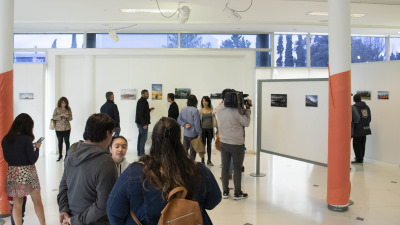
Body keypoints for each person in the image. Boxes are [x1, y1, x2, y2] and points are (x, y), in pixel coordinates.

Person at [106, 117, 221, 225]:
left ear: (153, 140)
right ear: (180, 139)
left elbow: (114, 211)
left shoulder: (134, 172)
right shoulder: (198, 170)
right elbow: (213, 201)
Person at [57, 113, 117, 225]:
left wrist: (64, 209)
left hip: (72, 217)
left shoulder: (72, 151)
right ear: (108, 133)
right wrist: (76, 221)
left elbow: (63, 186)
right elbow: (104, 204)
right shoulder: (106, 162)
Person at [2, 113, 46, 225]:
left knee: (17, 204)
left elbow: (7, 158)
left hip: (13, 173)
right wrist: (37, 149)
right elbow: (32, 159)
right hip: (28, 173)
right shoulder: (26, 139)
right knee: (37, 202)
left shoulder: (5, 139)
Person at [215, 89, 251, 200]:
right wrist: (247, 109)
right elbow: (246, 123)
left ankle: (225, 192)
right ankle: (237, 193)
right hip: (237, 144)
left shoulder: (219, 109)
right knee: (237, 168)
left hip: (224, 142)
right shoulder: (236, 111)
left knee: (225, 167)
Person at [178, 94, 202, 161]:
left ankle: (183, 166)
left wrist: (184, 124)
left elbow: (178, 120)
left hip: (186, 133)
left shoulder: (183, 109)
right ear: (195, 101)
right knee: (192, 152)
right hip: (193, 134)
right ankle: (191, 168)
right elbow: (197, 124)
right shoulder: (195, 110)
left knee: (184, 152)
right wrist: (200, 134)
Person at [352, 94, 372, 164]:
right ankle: (361, 157)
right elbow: (369, 118)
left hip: (358, 129)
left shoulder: (354, 107)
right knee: (362, 143)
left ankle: (358, 159)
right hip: (365, 128)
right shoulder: (366, 107)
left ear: (354, 99)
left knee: (356, 144)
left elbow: (355, 119)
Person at [53, 96, 73, 161]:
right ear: (60, 103)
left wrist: (66, 116)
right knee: (60, 141)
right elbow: (54, 117)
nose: (63, 104)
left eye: (65, 103)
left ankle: (67, 155)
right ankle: (60, 155)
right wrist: (60, 116)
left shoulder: (68, 109)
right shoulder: (57, 109)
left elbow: (71, 118)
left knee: (67, 142)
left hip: (66, 127)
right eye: (62, 103)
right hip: (58, 128)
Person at [135, 89, 154, 156]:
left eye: (148, 94)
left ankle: (139, 152)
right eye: (146, 94)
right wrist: (144, 124)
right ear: (142, 94)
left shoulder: (143, 101)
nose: (148, 95)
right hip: (142, 123)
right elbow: (140, 114)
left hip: (141, 123)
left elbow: (143, 111)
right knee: (143, 138)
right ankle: (141, 153)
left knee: (141, 137)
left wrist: (149, 110)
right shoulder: (142, 102)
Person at [199, 96, 217, 166]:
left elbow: (215, 120)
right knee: (203, 145)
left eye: (205, 101)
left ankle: (209, 160)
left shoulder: (212, 110)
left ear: (208, 102)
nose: (204, 102)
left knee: (209, 145)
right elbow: (199, 121)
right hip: (203, 130)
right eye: (203, 101)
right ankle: (202, 161)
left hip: (210, 130)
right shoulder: (200, 111)